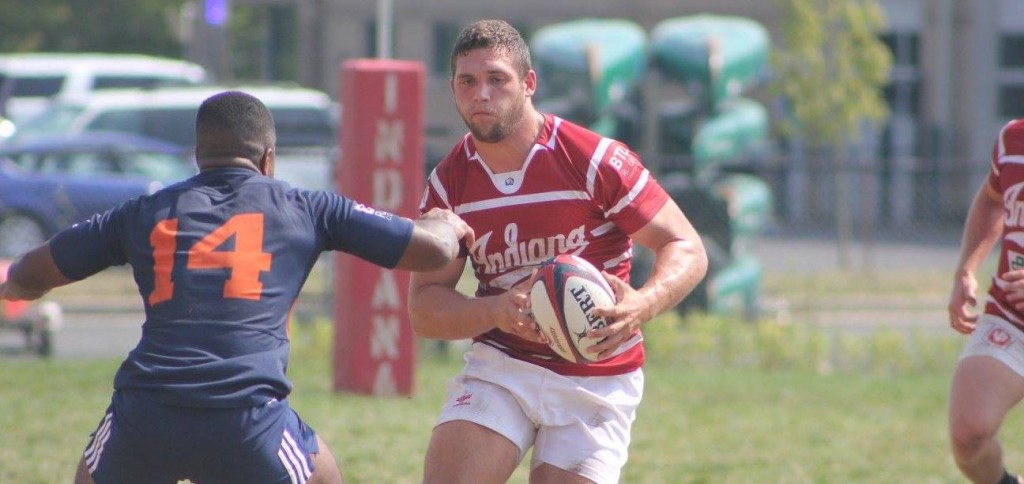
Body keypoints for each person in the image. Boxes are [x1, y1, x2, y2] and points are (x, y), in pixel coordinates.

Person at [0, 90, 473, 484]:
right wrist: (442, 222)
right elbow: (431, 251)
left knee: (91, 471)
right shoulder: (307, 208)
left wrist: (16, 286)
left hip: (147, 414)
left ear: (198, 157)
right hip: (246, 418)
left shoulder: (142, 212)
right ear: (268, 159)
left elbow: (27, 276)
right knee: (324, 472)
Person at [408, 19, 709, 484]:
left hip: (596, 375)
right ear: (453, 89)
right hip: (503, 367)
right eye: (467, 81)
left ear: (528, 84)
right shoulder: (448, 185)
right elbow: (425, 309)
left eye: (496, 79)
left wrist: (644, 303)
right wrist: (497, 311)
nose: (481, 94)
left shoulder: (592, 160)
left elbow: (686, 245)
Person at [948, 118, 1024, 484]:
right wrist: (967, 268)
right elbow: (994, 200)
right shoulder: (1014, 138)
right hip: (1013, 315)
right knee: (969, 434)